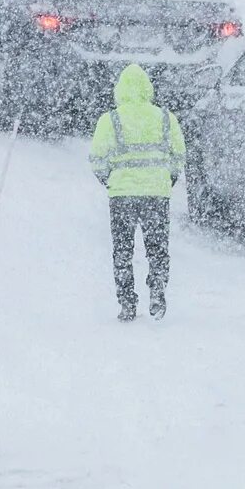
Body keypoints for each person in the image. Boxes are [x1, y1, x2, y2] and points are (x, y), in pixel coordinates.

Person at [87, 63, 185, 322]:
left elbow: (97, 158)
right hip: (156, 193)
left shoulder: (111, 120)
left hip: (122, 195)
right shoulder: (166, 118)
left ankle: (127, 302)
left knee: (122, 250)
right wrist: (167, 178)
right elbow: (179, 156)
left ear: (119, 90)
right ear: (148, 89)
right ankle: (157, 289)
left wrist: (110, 179)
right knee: (157, 247)